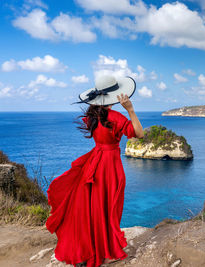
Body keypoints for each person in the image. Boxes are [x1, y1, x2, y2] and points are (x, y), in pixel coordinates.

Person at [45, 75, 144, 267]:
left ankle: (92, 248)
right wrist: (130, 109)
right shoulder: (116, 117)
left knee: (95, 208)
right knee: (111, 207)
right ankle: (107, 250)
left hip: (94, 162)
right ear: (114, 96)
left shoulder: (91, 117)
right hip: (111, 166)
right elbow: (139, 134)